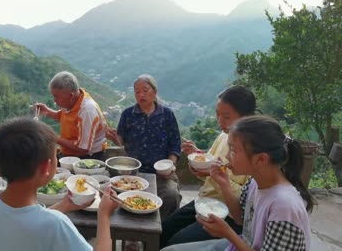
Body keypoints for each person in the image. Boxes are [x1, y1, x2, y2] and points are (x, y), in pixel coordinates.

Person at [162, 115, 314, 251]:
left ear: (260, 159)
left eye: (233, 150)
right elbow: (239, 218)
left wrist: (227, 233)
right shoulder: (255, 181)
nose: (227, 156)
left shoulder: (284, 207)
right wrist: (224, 184)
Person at [0, 117, 118, 251]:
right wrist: (104, 215)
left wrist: (64, 205)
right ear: (46, 167)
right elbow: (40, 223)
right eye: (55, 155)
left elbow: (27, 224)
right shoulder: (56, 224)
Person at [160, 85, 256, 247]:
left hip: (228, 215)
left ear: (245, 117)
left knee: (175, 243)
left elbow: (245, 200)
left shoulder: (254, 150)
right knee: (162, 230)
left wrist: (217, 177)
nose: (220, 122)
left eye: (226, 117)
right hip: (204, 202)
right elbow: (209, 167)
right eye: (218, 115)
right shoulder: (222, 137)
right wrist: (198, 156)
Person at [105, 74, 181, 221]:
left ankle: (161, 234)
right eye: (137, 91)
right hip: (134, 172)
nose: (141, 95)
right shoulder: (128, 114)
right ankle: (133, 236)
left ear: (155, 92)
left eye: (145, 90)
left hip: (161, 174)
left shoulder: (167, 115)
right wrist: (114, 137)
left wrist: (170, 165)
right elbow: (121, 141)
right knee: (125, 200)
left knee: (171, 196)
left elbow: (175, 144)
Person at [34, 71, 108, 160]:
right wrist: (47, 111)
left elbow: (83, 148)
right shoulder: (71, 101)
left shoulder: (87, 112)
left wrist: (54, 138)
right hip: (69, 153)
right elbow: (64, 116)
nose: (55, 100)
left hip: (88, 158)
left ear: (70, 95)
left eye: (57, 97)